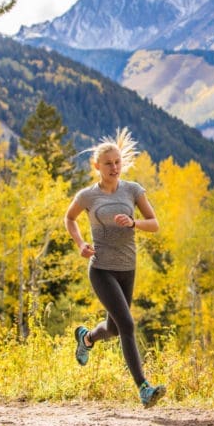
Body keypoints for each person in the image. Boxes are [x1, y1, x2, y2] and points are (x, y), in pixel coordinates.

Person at [64, 128, 165, 408]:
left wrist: (134, 223)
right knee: (128, 324)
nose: (114, 168)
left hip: (127, 268)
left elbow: (154, 224)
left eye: (118, 162)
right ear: (97, 166)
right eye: (108, 163)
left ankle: (87, 338)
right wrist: (81, 244)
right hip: (101, 269)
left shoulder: (132, 190)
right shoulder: (87, 196)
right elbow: (69, 218)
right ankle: (144, 388)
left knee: (115, 329)